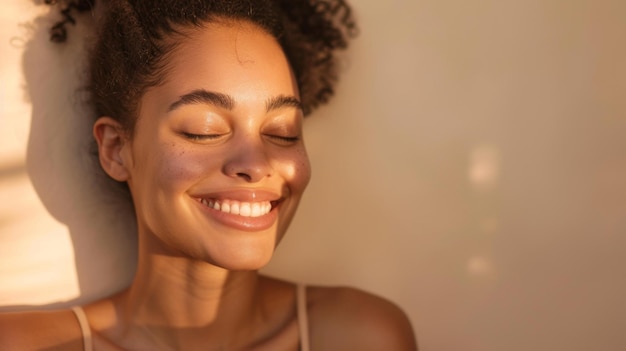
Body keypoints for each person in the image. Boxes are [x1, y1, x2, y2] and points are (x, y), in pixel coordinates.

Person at [0, 0, 417, 349]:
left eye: (282, 132)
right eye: (205, 130)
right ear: (116, 149)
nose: (256, 164)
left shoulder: (360, 337)